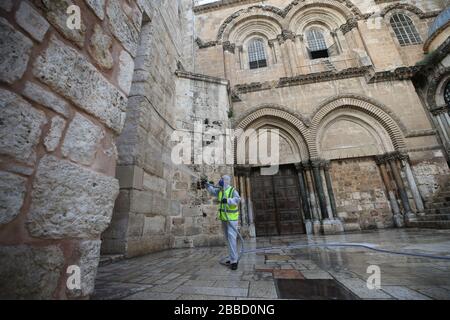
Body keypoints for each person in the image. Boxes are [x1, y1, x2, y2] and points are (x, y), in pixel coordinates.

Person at [206, 175, 241, 270]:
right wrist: (207, 185)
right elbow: (212, 191)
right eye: (220, 178)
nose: (220, 180)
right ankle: (231, 257)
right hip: (224, 218)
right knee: (228, 239)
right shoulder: (220, 190)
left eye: (222, 179)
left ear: (226, 181)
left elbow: (238, 199)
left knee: (232, 239)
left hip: (231, 219)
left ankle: (234, 261)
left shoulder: (232, 190)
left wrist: (228, 200)